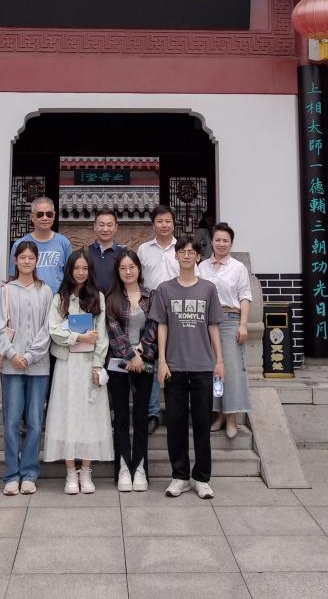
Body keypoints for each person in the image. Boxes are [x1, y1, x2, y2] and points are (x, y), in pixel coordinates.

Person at [150, 236, 223, 500]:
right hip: (174, 366)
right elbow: (162, 326)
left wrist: (219, 360)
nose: (186, 256)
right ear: (176, 256)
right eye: (182, 251)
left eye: (191, 252)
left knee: (202, 423)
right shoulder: (165, 289)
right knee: (176, 423)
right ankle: (179, 476)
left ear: (198, 257)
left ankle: (201, 478)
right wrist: (162, 361)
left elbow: (213, 326)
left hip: (202, 365)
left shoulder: (208, 289)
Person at [43, 252, 114, 494]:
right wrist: (79, 337)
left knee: (89, 416)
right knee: (67, 414)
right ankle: (70, 472)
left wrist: (98, 364)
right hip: (66, 364)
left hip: (88, 364)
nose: (81, 272)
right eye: (76, 268)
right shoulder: (60, 298)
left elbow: (102, 335)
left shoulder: (98, 297)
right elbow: (54, 330)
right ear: (69, 270)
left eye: (85, 268)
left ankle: (86, 470)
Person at [0, 240, 53, 496]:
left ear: (37, 261)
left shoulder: (46, 291)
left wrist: (29, 355)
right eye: (22, 257)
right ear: (15, 260)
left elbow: (48, 328)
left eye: (31, 258)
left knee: (36, 421)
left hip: (38, 366)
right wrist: (12, 354)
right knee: (12, 421)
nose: (26, 261)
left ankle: (29, 473)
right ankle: (11, 474)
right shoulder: (6, 290)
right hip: (12, 366)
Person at [105, 251, 157, 492]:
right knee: (122, 417)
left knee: (141, 416)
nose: (128, 272)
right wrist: (129, 355)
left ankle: (140, 467)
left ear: (139, 269)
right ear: (118, 272)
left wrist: (141, 352)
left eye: (132, 267)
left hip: (144, 363)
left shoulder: (151, 296)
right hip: (119, 365)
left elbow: (154, 327)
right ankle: (124, 468)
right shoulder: (112, 298)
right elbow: (113, 330)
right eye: (123, 268)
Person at [198, 221, 253, 439]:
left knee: (230, 371)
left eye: (225, 241)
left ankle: (231, 419)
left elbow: (245, 297)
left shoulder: (238, 268)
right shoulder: (202, 267)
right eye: (217, 240)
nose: (221, 244)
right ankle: (219, 415)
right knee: (214, 371)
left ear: (231, 243)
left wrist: (243, 324)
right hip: (206, 323)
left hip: (230, 320)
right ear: (211, 242)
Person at [136, 205, 179, 433]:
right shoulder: (143, 250)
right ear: (153, 224)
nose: (164, 225)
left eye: (168, 221)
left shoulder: (182, 249)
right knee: (151, 362)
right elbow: (137, 280)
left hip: (179, 309)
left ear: (173, 223)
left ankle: (175, 411)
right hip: (150, 311)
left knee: (177, 361)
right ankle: (153, 412)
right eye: (160, 221)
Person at [9, 196, 72, 296]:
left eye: (49, 214)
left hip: (57, 300)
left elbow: (69, 275)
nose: (45, 218)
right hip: (27, 299)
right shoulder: (20, 245)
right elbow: (13, 276)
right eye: (40, 214)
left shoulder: (64, 243)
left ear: (54, 216)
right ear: (32, 217)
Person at [70, 208, 136, 295]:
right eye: (101, 225)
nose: (105, 229)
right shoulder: (84, 253)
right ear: (95, 227)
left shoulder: (124, 254)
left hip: (117, 302)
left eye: (109, 225)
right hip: (90, 301)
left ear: (116, 227)